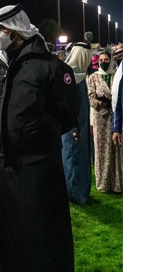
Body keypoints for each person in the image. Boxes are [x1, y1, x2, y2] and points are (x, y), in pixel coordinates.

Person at [0, 4, 77, 271]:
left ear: (18, 29)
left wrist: (33, 136)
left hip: (37, 168)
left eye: (3, 29)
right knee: (1, 240)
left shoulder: (51, 67)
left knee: (41, 239)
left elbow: (66, 116)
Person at [62, 40, 93, 205]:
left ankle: (83, 192)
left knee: (82, 158)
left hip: (81, 125)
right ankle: (75, 194)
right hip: (73, 128)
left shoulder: (79, 74)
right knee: (73, 158)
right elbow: (68, 105)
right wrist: (74, 127)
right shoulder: (70, 76)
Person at [87, 51, 123, 193]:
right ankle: (103, 183)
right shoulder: (93, 77)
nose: (103, 62)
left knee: (116, 150)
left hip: (114, 116)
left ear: (111, 60)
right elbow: (90, 97)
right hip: (100, 118)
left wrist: (111, 102)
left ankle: (116, 183)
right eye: (101, 59)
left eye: (106, 59)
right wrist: (102, 103)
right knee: (101, 149)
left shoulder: (116, 75)